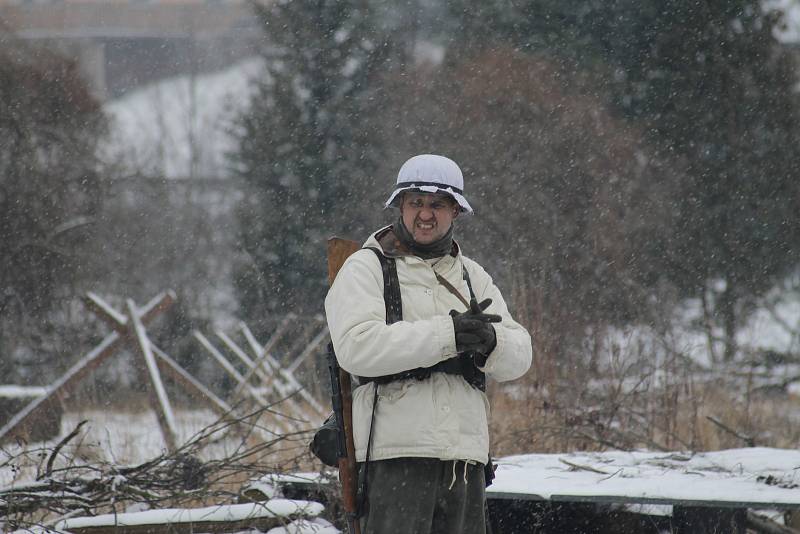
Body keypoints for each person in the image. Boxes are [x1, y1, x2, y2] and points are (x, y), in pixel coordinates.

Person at [325, 154, 532, 534]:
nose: (425, 214)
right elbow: (357, 348)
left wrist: (490, 343)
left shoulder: (474, 276)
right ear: (399, 207)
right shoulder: (367, 267)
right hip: (394, 459)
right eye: (415, 202)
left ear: (456, 211)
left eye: (437, 204)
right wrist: (447, 336)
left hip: (464, 462)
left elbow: (520, 355)